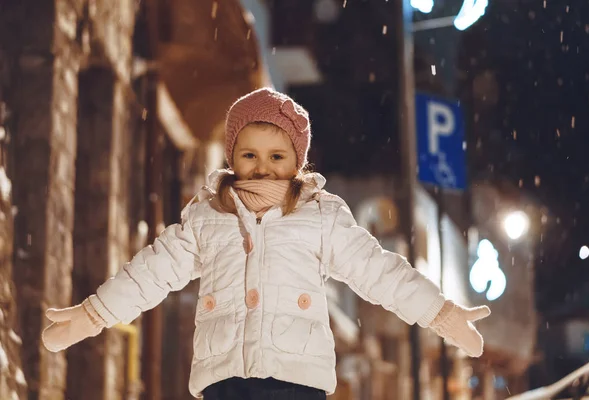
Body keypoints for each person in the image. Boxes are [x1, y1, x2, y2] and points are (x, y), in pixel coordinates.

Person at [42, 88, 491, 400]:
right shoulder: (207, 216)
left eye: (277, 157)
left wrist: (441, 313)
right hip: (224, 378)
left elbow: (378, 271)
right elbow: (149, 273)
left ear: (298, 161)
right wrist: (93, 314)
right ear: (232, 156)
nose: (262, 167)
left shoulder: (320, 216)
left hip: (295, 379)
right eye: (249, 155)